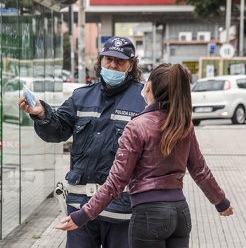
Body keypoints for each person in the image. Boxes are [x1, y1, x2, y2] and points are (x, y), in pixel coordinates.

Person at [56, 63, 234, 248]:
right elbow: (200, 170)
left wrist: (83, 215)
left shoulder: (137, 126)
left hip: (149, 216)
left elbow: (116, 182)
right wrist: (221, 202)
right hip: (180, 213)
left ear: (148, 87)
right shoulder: (183, 124)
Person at [18, 36, 146, 248]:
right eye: (108, 59)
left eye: (120, 61)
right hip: (80, 206)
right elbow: (57, 131)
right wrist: (42, 115)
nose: (113, 65)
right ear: (100, 61)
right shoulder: (81, 97)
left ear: (131, 65)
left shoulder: (142, 100)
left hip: (122, 208)